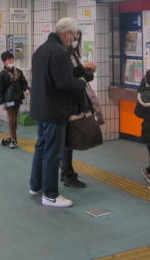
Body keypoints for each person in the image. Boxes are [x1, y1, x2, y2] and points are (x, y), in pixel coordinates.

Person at [29, 17, 86, 208]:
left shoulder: (40, 50)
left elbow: (52, 78)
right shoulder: (59, 52)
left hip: (40, 108)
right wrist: (81, 83)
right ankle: (50, 195)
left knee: (41, 148)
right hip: (54, 110)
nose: (74, 39)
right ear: (67, 33)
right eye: (74, 35)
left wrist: (78, 71)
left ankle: (35, 186)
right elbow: (64, 83)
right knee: (53, 152)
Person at [60, 30, 96, 189]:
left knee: (68, 138)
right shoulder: (62, 54)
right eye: (74, 37)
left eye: (78, 39)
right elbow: (68, 78)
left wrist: (88, 72)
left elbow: (78, 75)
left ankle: (67, 171)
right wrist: (83, 70)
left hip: (74, 100)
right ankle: (66, 173)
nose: (75, 41)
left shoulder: (73, 54)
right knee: (66, 140)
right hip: (66, 103)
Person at [0, 51, 29, 149]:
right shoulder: (1, 75)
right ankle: (13, 139)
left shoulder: (18, 72)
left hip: (17, 99)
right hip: (8, 101)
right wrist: (2, 103)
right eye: (9, 60)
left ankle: (11, 138)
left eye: (12, 59)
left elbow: (23, 82)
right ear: (4, 62)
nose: (11, 61)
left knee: (14, 118)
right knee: (12, 118)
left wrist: (26, 89)